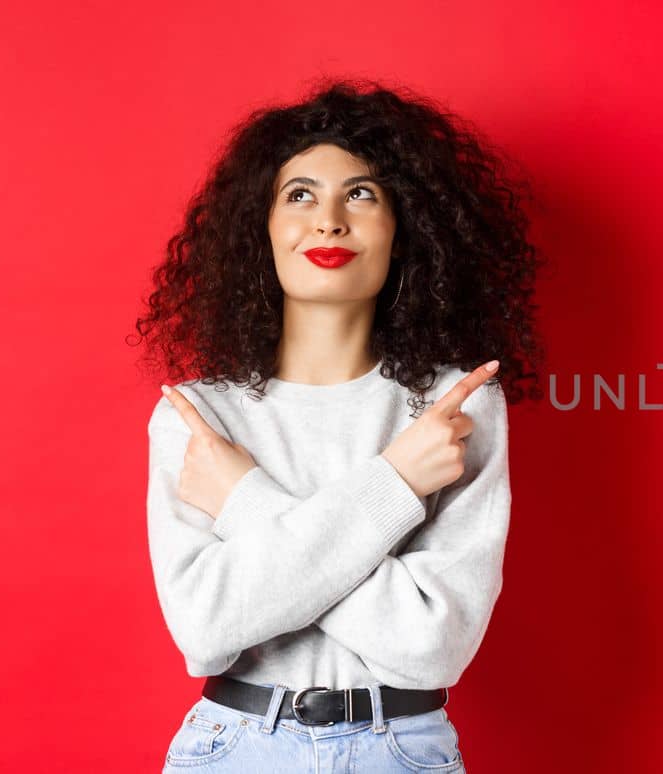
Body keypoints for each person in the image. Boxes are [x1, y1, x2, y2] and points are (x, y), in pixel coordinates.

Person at [131, 78, 545, 773]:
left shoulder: (454, 408)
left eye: (361, 193)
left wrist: (245, 502)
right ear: (260, 229)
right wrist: (397, 484)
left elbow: (431, 648)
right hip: (233, 747)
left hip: (401, 748)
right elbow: (205, 629)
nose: (328, 221)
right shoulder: (199, 417)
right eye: (299, 195)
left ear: (404, 227)